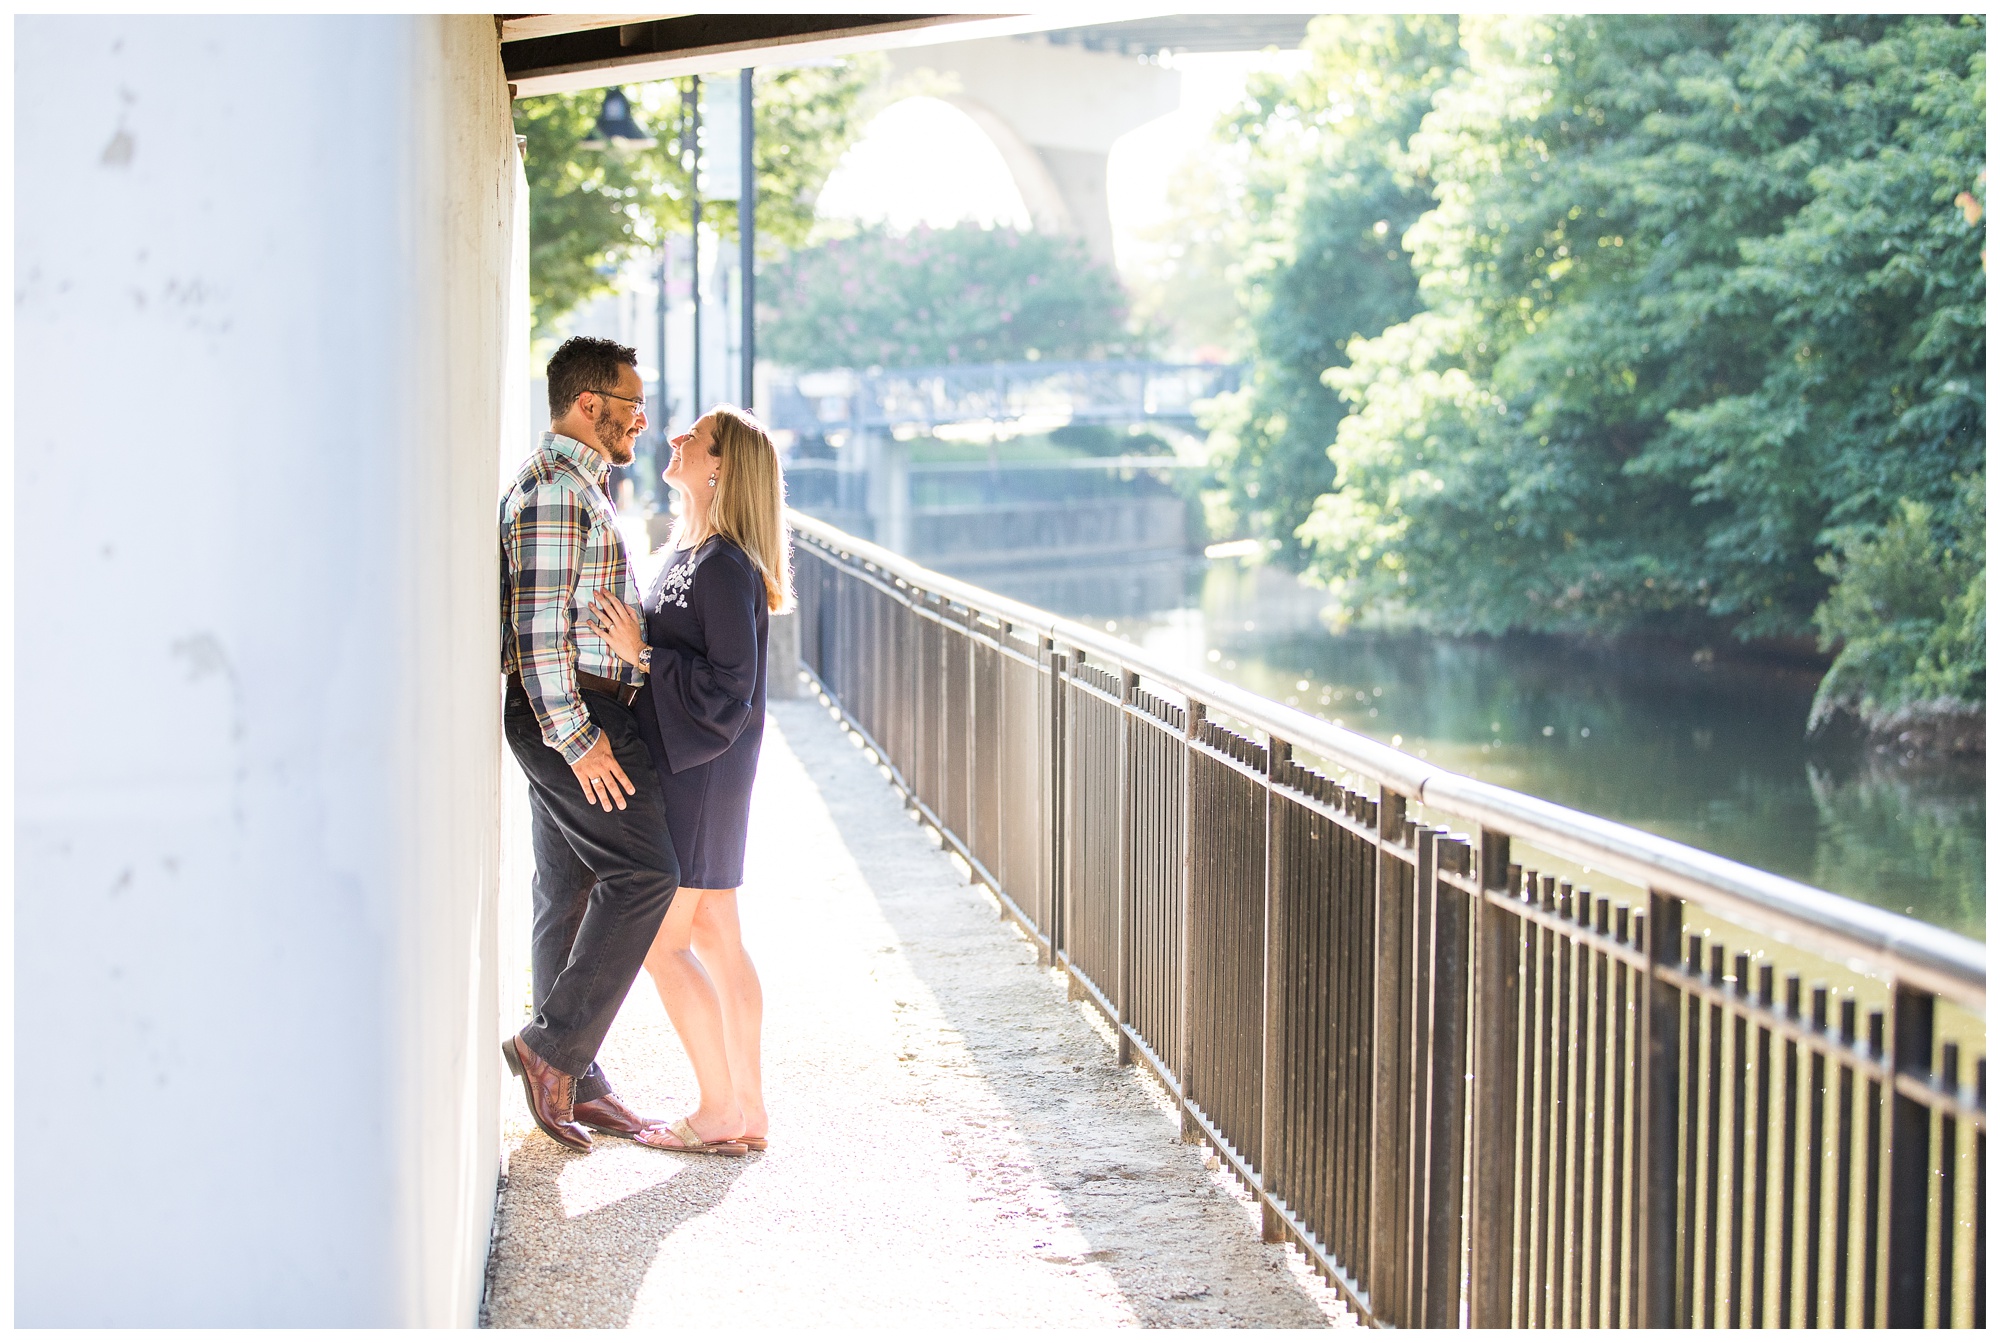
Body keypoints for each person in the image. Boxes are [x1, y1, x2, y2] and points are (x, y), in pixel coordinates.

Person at [499, 336, 747, 1158]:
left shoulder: (581, 488)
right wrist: (581, 741)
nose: (645, 417)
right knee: (646, 874)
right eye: (631, 402)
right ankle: (553, 1049)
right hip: (578, 715)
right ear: (588, 405)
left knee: (566, 891)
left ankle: (582, 1078)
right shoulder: (557, 498)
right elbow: (537, 637)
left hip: (590, 710)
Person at [588, 405, 787, 1153]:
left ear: (719, 465)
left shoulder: (726, 562)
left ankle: (716, 1109)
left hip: (703, 770)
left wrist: (642, 656)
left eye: (692, 438)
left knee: (662, 944)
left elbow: (732, 684)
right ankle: (748, 1109)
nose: (675, 439)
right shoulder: (695, 551)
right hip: (701, 767)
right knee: (716, 936)